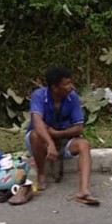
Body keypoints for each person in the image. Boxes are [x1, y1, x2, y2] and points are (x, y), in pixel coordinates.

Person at [24, 66, 100, 206]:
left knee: (84, 144)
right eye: (66, 84)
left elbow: (78, 127)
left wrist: (57, 134)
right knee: (35, 135)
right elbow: (37, 121)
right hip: (41, 141)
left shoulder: (73, 97)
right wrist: (50, 142)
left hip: (64, 140)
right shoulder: (39, 95)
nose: (70, 87)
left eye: (70, 83)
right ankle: (42, 174)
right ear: (54, 87)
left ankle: (84, 190)